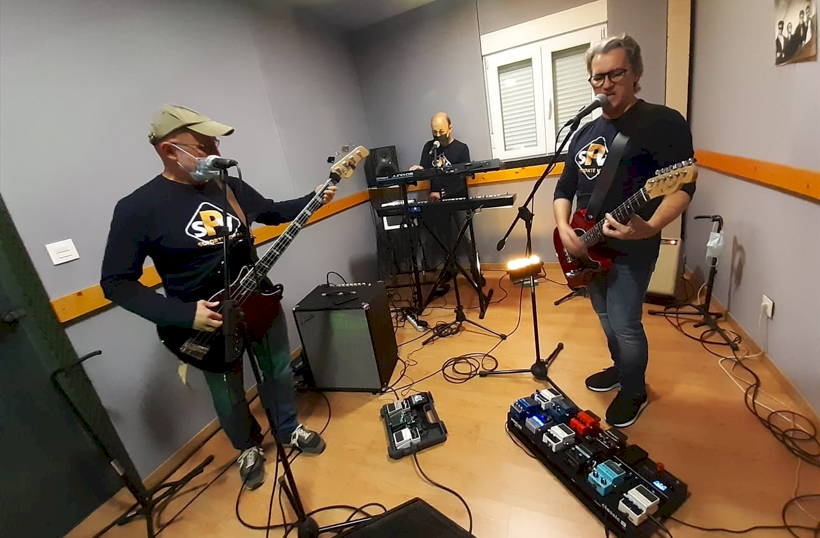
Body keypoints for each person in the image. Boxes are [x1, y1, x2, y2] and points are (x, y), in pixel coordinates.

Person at [100, 104, 335, 490]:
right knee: (227, 392)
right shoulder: (137, 208)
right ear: (169, 150)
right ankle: (247, 447)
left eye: (215, 143)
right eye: (204, 145)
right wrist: (181, 314)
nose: (216, 152)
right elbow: (115, 282)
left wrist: (315, 196)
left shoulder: (229, 186)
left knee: (278, 370)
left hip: (258, 302)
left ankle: (287, 428)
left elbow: (272, 212)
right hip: (206, 322)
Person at [553, 35, 696, 428]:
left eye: (615, 74)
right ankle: (621, 369)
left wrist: (650, 226)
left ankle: (635, 390)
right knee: (603, 315)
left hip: (633, 245)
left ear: (636, 74)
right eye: (597, 77)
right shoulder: (583, 132)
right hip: (587, 244)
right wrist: (563, 228)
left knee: (625, 321)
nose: (605, 84)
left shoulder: (662, 121)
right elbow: (564, 189)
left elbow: (683, 186)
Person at [409, 113, 480, 291]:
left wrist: (442, 193)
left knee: (466, 237)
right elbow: (425, 169)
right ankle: (450, 268)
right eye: (434, 132)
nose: (438, 135)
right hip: (437, 201)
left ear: (450, 128)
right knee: (444, 237)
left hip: (458, 198)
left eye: (441, 131)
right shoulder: (429, 147)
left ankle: (476, 270)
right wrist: (419, 170)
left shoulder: (461, 148)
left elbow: (462, 178)